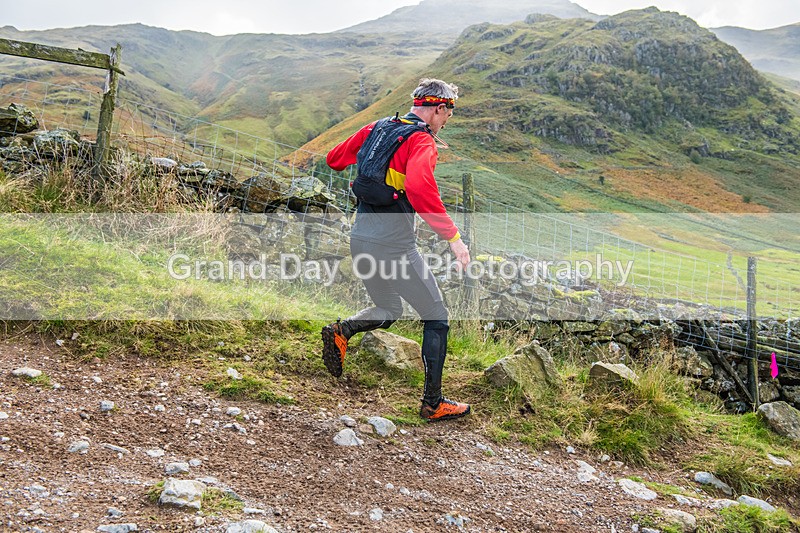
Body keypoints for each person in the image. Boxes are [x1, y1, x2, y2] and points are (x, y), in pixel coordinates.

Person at [322, 78, 471, 422]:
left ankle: (342, 331)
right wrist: (454, 238)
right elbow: (419, 188)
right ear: (438, 108)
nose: (447, 120)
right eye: (448, 113)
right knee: (437, 318)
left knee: (389, 307)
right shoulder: (421, 141)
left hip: (361, 240)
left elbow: (333, 160)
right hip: (395, 248)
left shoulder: (378, 127)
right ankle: (433, 403)